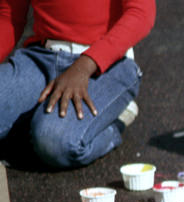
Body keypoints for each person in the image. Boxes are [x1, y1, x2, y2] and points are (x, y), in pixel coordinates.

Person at [0, 0, 156, 169]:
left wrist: (85, 65)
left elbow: (141, 14)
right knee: (38, 133)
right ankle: (34, 122)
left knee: (53, 142)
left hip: (106, 64)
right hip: (42, 55)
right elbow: (8, 17)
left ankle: (114, 121)